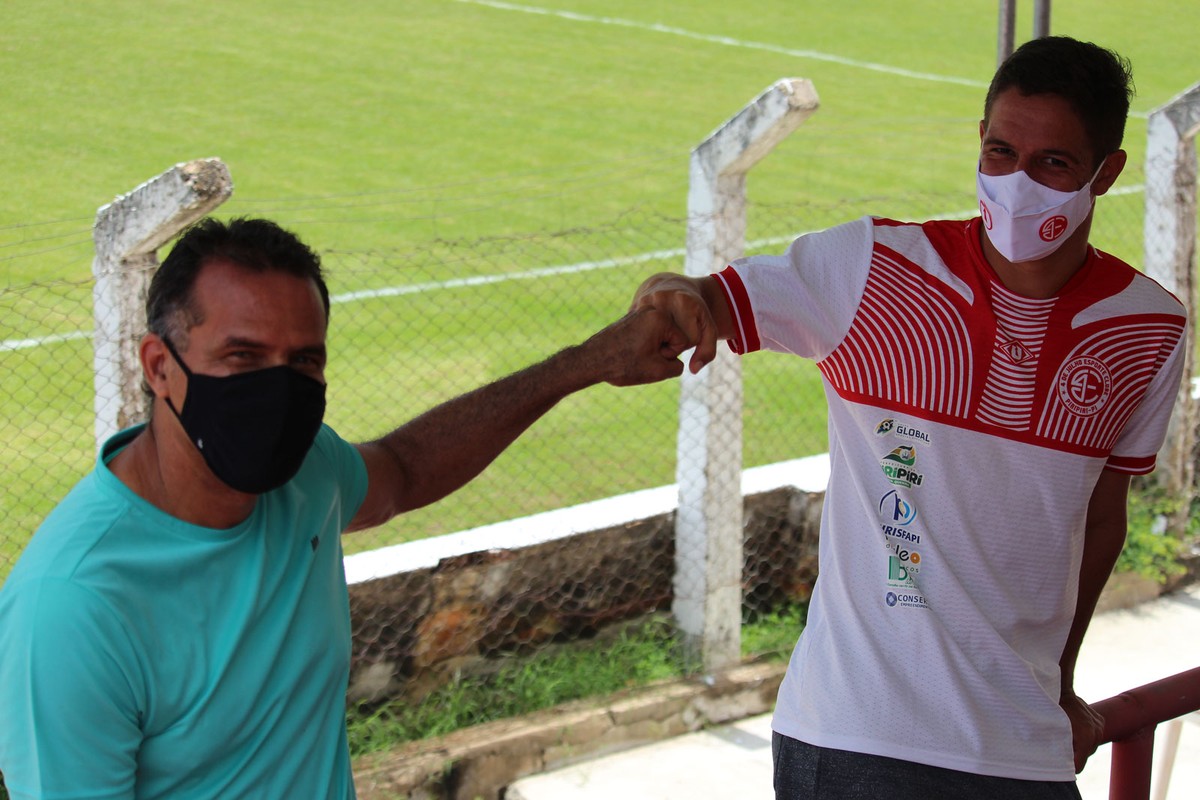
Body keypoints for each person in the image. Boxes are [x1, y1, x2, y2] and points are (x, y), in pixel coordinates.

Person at [632, 36, 1187, 799]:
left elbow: (1099, 521)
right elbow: (706, 297)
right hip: (853, 737)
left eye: (1051, 164)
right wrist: (672, 292)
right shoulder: (870, 266)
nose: (1015, 182)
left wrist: (1058, 687)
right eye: (999, 151)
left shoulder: (1150, 329)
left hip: (1023, 751)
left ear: (1107, 172)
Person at [0, 217, 693, 798]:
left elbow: (405, 468)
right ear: (158, 366)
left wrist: (586, 362)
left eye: (303, 363)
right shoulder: (72, 607)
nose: (277, 392)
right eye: (242, 356)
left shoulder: (303, 472)